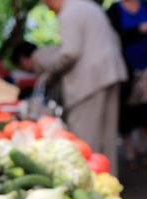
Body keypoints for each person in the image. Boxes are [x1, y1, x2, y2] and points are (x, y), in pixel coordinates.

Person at [23, 0, 128, 175]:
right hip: (110, 73)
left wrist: (51, 71)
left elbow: (69, 52)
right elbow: (115, 40)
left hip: (89, 81)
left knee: (85, 142)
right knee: (108, 139)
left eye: (47, 4)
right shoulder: (88, 6)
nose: (49, 9)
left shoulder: (69, 12)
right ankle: (110, 184)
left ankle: (90, 189)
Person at [107, 0, 147, 170]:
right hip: (124, 69)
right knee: (126, 110)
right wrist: (138, 31)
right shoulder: (114, 11)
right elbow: (113, 38)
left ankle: (142, 147)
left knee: (146, 108)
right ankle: (129, 152)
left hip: (146, 67)